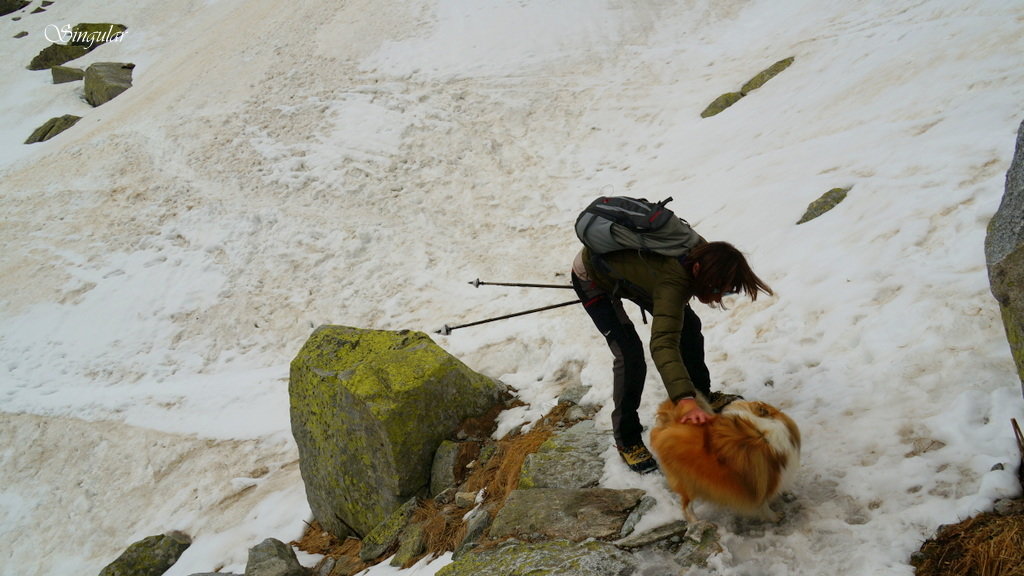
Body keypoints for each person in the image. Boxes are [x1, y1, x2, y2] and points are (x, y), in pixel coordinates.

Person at [570, 240, 774, 474]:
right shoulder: (673, 284)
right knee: (629, 354)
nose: (718, 298)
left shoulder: (704, 254)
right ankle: (628, 439)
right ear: (698, 270)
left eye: (726, 291)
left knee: (688, 326)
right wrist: (683, 399)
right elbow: (663, 344)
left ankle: (702, 396)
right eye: (717, 289)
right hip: (592, 275)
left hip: (639, 274)